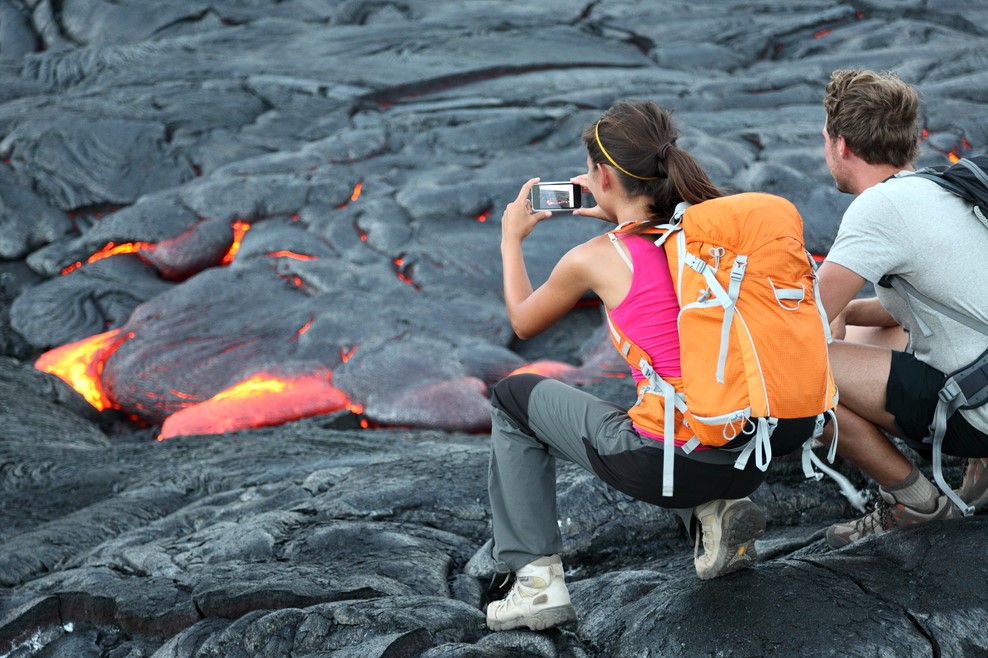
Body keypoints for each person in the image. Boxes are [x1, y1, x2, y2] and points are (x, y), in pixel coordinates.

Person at [485, 99, 820, 632]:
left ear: (600, 176)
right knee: (689, 390)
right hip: (751, 453)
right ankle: (715, 513)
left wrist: (510, 238)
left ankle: (535, 584)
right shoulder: (710, 235)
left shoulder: (594, 258)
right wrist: (616, 205)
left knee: (512, 398)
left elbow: (523, 322)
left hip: (668, 465)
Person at [816, 69, 988, 549]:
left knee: (796, 372)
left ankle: (917, 503)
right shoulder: (935, 187)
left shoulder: (879, 210)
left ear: (841, 144)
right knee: (868, 337)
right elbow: (923, 307)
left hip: (979, 412)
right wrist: (846, 314)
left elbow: (799, 319)